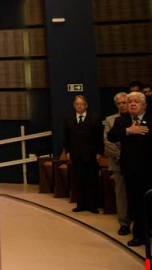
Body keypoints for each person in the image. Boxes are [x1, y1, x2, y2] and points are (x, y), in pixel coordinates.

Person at [108, 92, 151, 246]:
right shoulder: (122, 121)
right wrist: (128, 131)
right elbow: (111, 136)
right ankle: (139, 235)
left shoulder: (150, 119)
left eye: (136, 101)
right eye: (129, 102)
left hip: (149, 169)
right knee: (135, 203)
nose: (132, 104)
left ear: (144, 105)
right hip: (130, 170)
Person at [62, 95, 101, 214]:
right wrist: (68, 151)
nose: (79, 106)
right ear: (74, 106)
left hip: (91, 154)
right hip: (75, 154)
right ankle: (80, 204)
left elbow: (99, 137)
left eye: (82, 104)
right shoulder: (68, 119)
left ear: (86, 105)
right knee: (78, 181)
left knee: (91, 180)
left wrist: (99, 152)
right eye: (77, 104)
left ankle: (92, 205)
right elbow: (66, 137)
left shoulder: (95, 118)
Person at [103, 92, 131, 236]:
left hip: (137, 162)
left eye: (124, 102)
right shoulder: (110, 119)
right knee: (121, 194)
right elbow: (107, 141)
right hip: (118, 161)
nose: (122, 105)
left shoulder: (136, 118)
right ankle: (124, 223)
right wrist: (121, 155)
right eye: (119, 103)